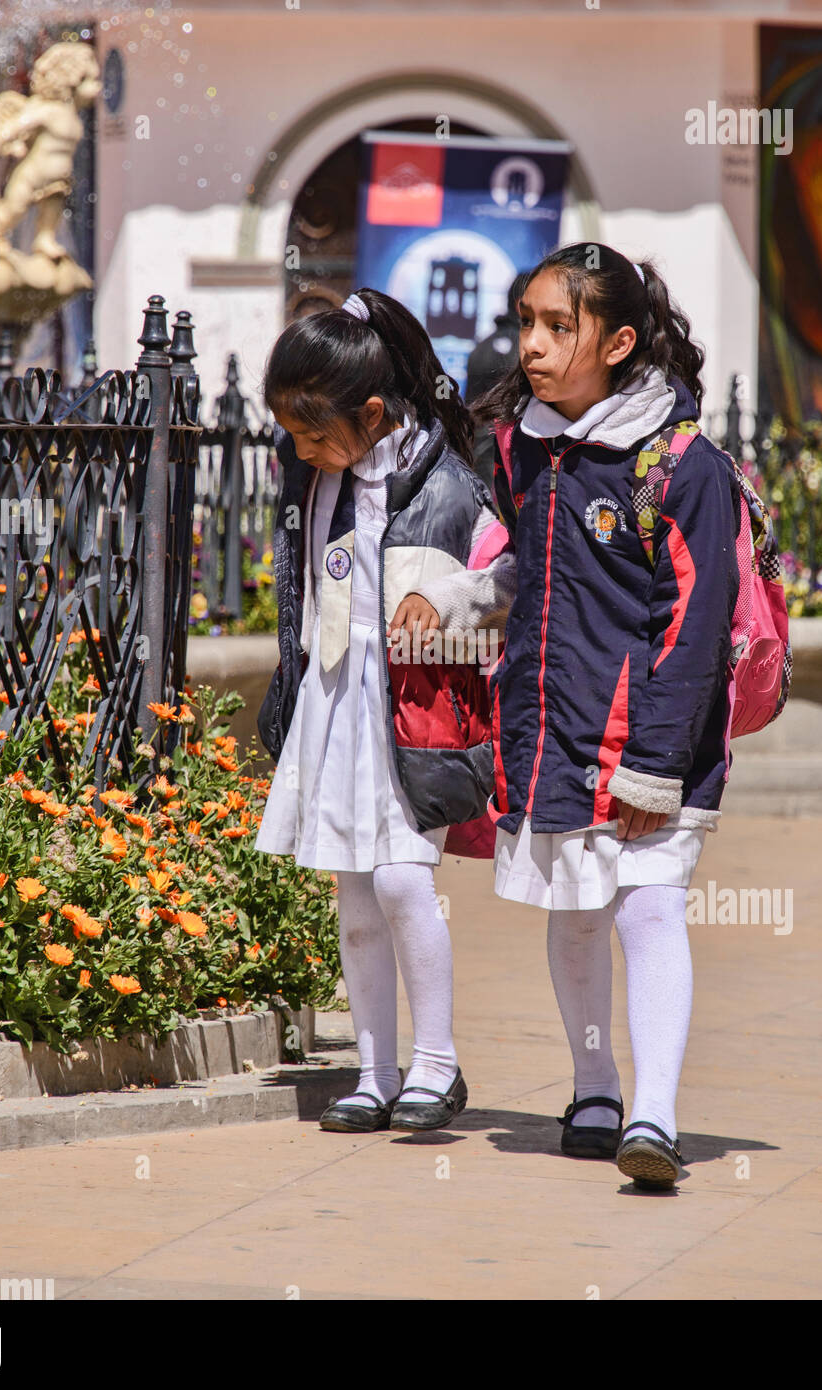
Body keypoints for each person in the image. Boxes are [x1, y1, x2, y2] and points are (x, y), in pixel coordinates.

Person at [472, 243, 740, 1189]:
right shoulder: (520, 445)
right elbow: (526, 567)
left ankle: (655, 1119)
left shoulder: (682, 464)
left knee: (650, 906)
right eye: (526, 323)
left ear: (619, 341)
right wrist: (466, 597)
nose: (532, 346)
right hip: (548, 725)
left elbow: (697, 622)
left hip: (646, 739)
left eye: (557, 326)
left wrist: (655, 762)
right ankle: (593, 1090)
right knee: (574, 912)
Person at [255, 287, 515, 1135]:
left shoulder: (452, 481)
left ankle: (435, 1065)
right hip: (335, 693)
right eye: (292, 433)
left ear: (372, 413)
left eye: (313, 432)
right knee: (354, 892)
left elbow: (512, 578)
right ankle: (373, 1070)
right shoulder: (316, 474)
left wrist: (448, 599)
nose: (299, 449)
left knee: (404, 879)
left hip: (416, 708)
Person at [465, 271, 532, 495]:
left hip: (474, 466)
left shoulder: (481, 347)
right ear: (520, 304)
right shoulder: (526, 352)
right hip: (504, 472)